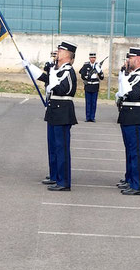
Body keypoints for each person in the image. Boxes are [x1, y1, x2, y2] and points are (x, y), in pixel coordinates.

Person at [22, 41, 78, 191]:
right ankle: (55, 176)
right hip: (53, 111)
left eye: (61, 50)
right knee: (53, 147)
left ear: (68, 55)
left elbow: (66, 89)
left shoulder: (68, 71)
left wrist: (51, 83)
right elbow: (45, 78)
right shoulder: (56, 70)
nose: (57, 52)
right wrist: (30, 67)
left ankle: (64, 182)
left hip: (63, 112)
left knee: (62, 148)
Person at [115, 47, 140, 195]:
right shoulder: (133, 75)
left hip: (136, 116)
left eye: (130, 58)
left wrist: (124, 81)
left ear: (139, 60)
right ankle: (130, 179)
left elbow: (134, 94)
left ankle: (138, 185)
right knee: (130, 151)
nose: (127, 61)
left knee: (136, 152)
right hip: (128, 115)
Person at [79, 52, 104, 122]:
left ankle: (92, 117)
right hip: (88, 86)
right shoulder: (86, 65)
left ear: (95, 58)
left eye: (94, 58)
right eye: (91, 57)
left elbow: (102, 77)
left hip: (95, 86)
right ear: (89, 58)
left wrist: (99, 71)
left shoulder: (97, 66)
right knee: (88, 102)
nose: (93, 59)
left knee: (94, 103)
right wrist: (87, 77)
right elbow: (82, 74)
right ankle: (88, 117)